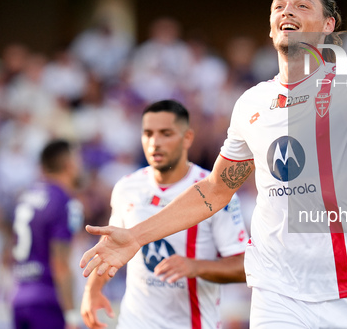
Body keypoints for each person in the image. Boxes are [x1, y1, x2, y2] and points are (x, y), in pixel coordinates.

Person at [80, 0, 347, 328]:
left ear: (329, 25)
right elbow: (214, 191)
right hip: (277, 292)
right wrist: (134, 236)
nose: (286, 11)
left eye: (301, 4)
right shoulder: (252, 103)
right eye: (279, 6)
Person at [80, 99, 248, 329]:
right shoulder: (127, 187)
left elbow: (244, 267)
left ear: (187, 138)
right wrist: (92, 291)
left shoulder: (215, 192)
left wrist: (195, 267)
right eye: (148, 134)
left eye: (166, 133)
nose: (155, 142)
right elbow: (111, 246)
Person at [11, 139, 84, 329]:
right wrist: (70, 314)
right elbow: (60, 263)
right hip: (48, 300)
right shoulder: (64, 201)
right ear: (69, 165)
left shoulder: (25, 197)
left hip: (19, 295)